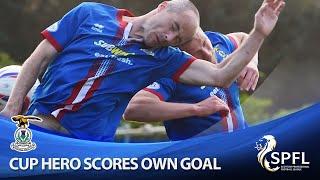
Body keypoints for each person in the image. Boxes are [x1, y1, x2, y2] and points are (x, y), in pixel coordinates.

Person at [0, 0, 286, 141]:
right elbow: (38, 58)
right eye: (173, 28)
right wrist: (12, 107)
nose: (170, 38)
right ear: (162, 7)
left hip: (86, 149)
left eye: (179, 39)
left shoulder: (164, 58)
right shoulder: (89, 14)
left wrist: (259, 33)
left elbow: (219, 76)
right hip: (38, 128)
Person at [124, 28, 258, 140]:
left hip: (241, 147)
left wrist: (251, 62)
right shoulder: (172, 73)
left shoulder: (217, 41)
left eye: (205, 43)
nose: (207, 53)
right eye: (197, 54)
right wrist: (196, 108)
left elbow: (243, 38)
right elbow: (133, 109)